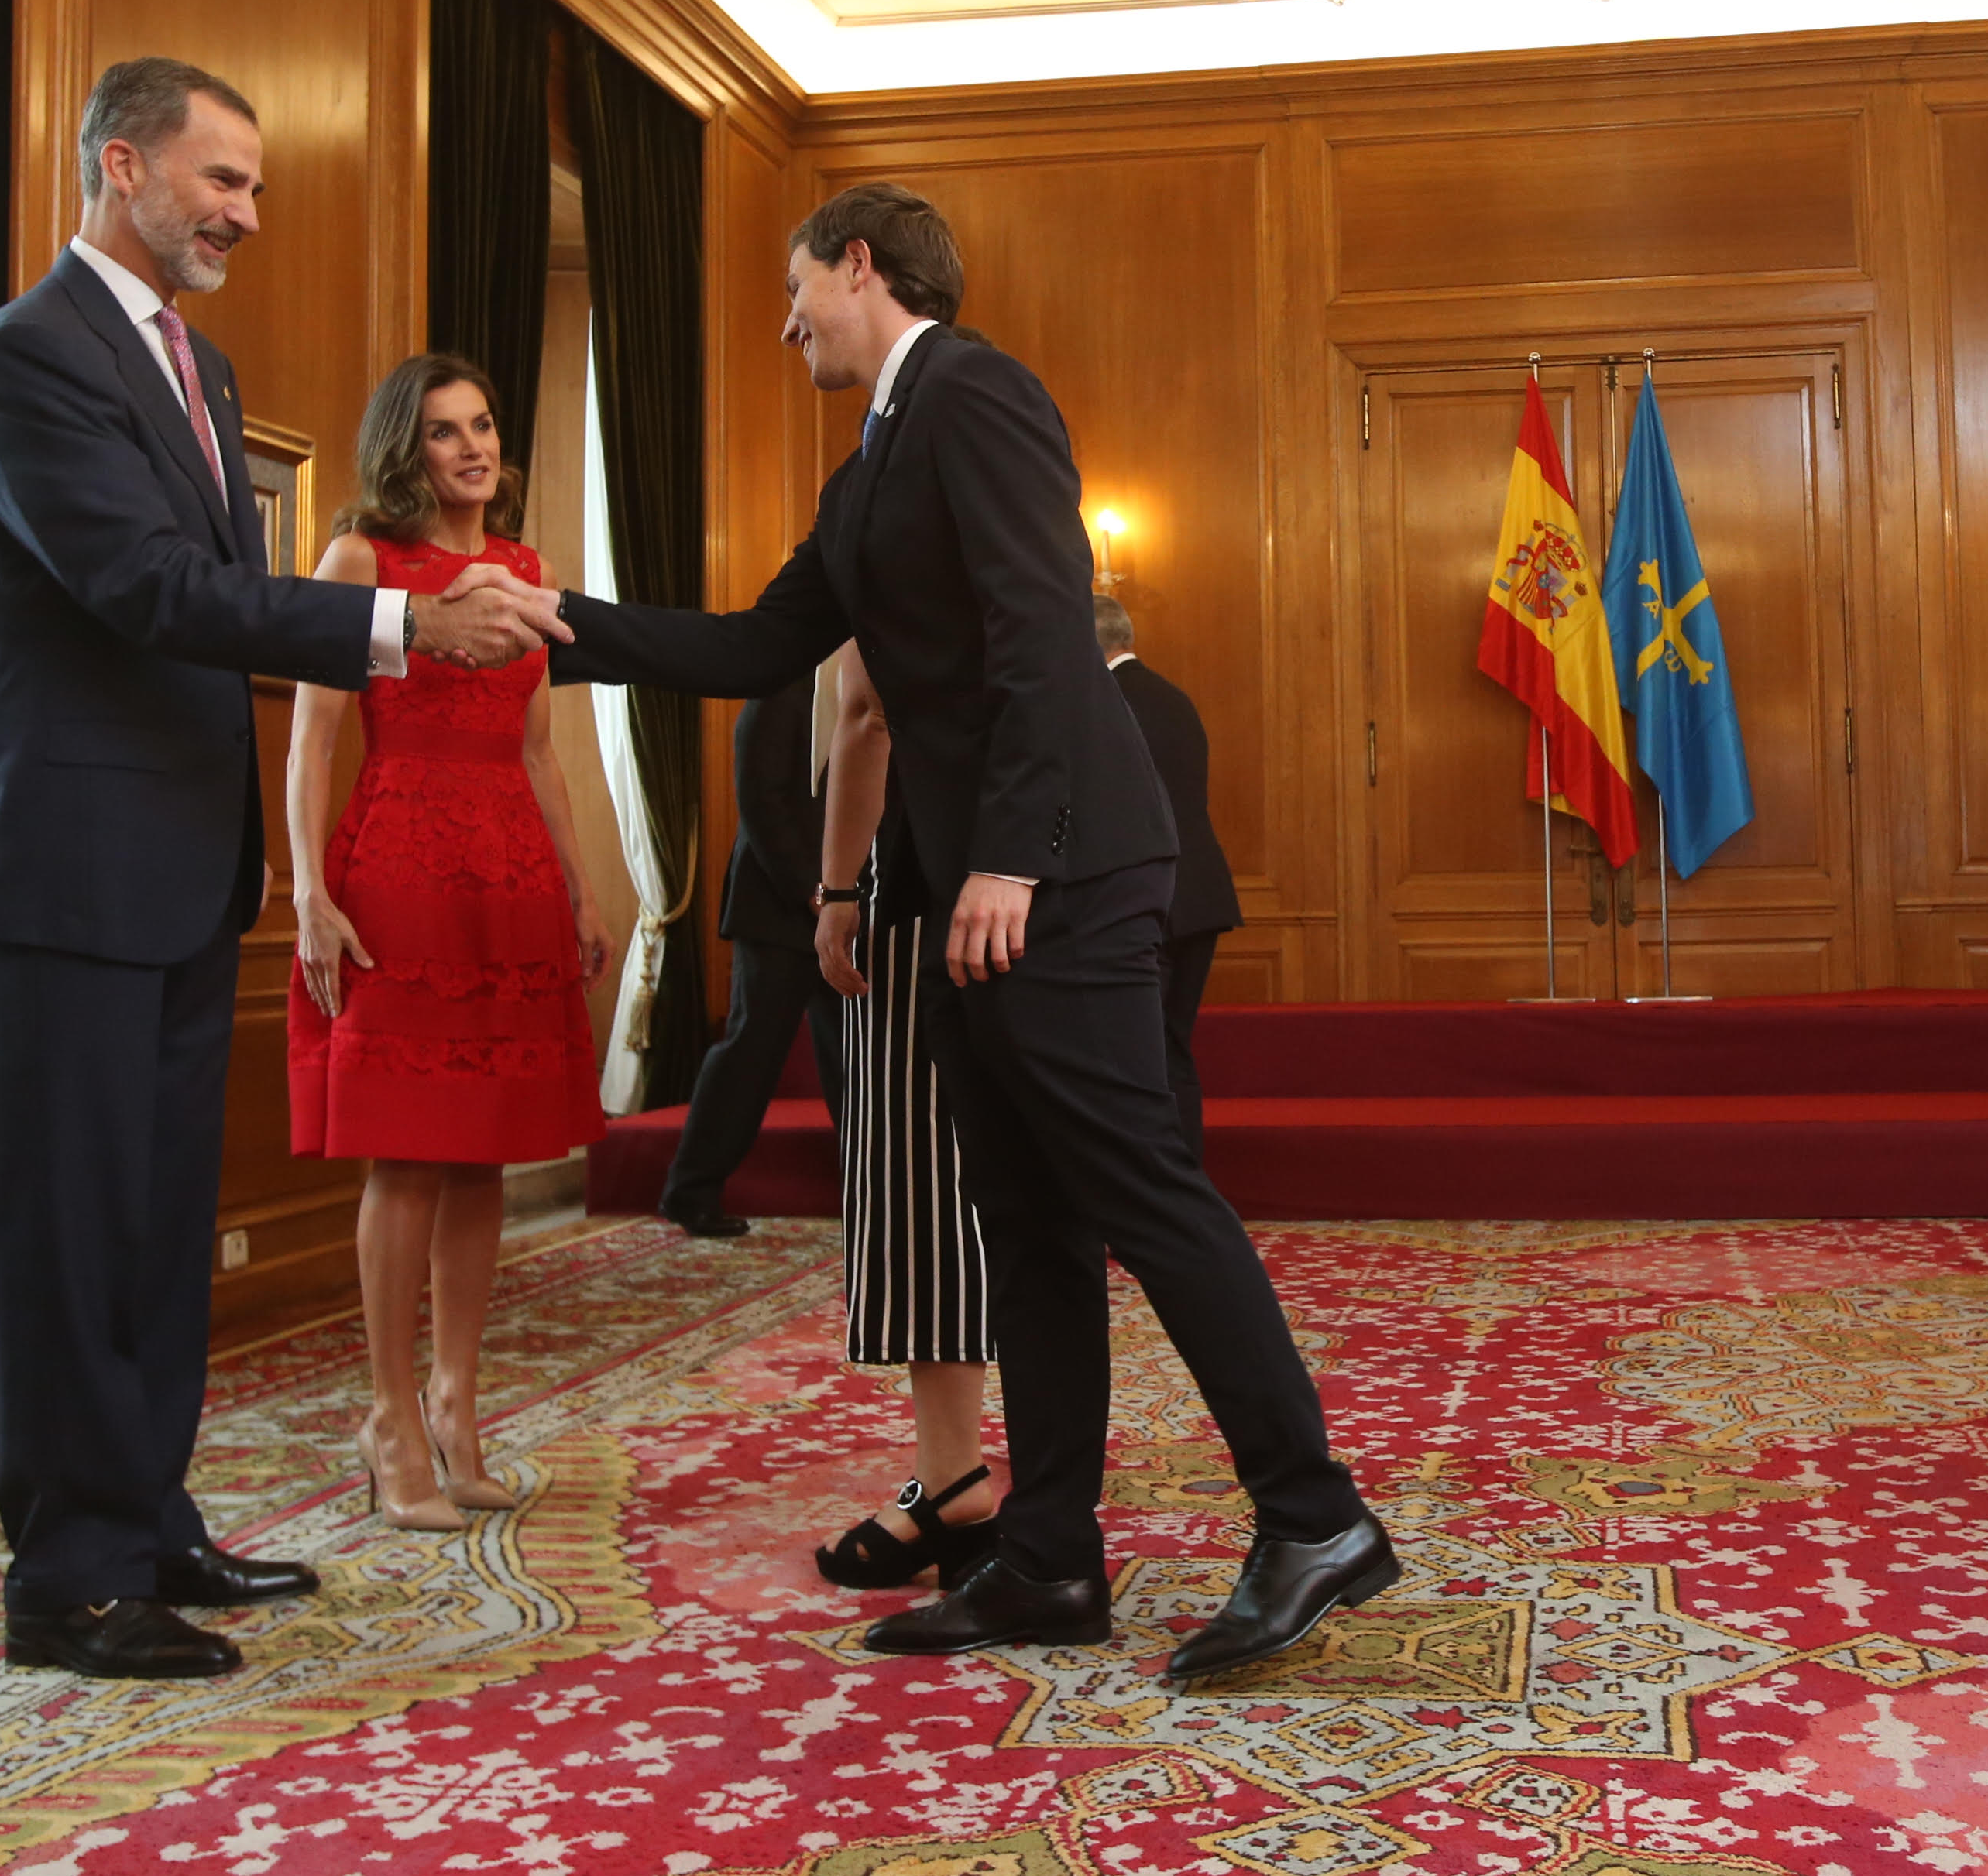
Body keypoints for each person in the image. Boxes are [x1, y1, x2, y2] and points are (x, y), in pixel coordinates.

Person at [532, 183, 1389, 1677]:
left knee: (1142, 1193)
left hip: (1055, 881)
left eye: (796, 284)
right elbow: (754, 645)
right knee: (1029, 1225)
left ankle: (1311, 1516)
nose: (787, 316)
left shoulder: (975, 390)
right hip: (979, 900)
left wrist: (1011, 858)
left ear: (859, 263)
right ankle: (1051, 1557)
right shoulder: (863, 470)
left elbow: (1044, 628)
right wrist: (556, 619)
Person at [0, 57, 561, 1682]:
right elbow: (145, 591)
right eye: (223, 182)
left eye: (256, 188)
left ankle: (148, 1524)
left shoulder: (196, 370)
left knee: (151, 1223)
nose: (245, 214)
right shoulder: (26, 361)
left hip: (172, 865)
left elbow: (210, 596)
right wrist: (400, 625)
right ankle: (68, 1582)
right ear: (121, 165)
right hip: (61, 861)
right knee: (70, 1230)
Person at [286, 353, 609, 1535]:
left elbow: (536, 751)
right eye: (442, 432)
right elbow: (314, 740)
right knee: (409, 1153)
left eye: (481, 426)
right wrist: (310, 892)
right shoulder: (362, 561)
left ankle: (458, 1407)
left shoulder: (529, 571)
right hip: (399, 863)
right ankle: (385, 1415)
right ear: (403, 448)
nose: (472, 448)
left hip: (509, 866)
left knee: (486, 1153)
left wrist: (576, 889)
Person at [805, 642, 1001, 1589]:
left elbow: (864, 711)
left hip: (927, 896)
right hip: (1051, 887)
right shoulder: (1029, 527)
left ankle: (953, 1475)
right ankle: (1042, 1487)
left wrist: (839, 888)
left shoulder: (889, 527)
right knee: (1033, 1195)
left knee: (925, 1186)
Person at [656, 670, 850, 1240]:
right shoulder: (780, 685)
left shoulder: (868, 685)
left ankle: (868, 1191)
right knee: (751, 1053)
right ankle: (690, 1192)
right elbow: (761, 801)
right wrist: (814, 892)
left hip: (845, 912)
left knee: (853, 1060)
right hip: (779, 909)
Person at [1096, 594, 1243, 1155]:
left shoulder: (1104, 703)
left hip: (1140, 899)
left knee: (1135, 1055)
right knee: (1171, 1046)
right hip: (1201, 894)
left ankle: (1154, 1190)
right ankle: (1185, 1181)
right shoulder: (1174, 698)